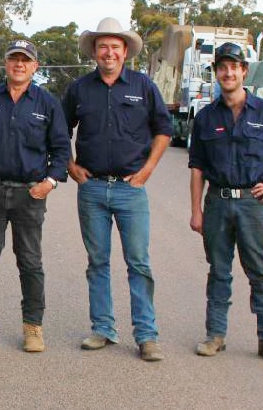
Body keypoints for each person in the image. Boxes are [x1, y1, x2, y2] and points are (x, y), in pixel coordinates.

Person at [62, 18, 173, 362]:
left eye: (115, 47)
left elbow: (163, 131)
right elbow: (58, 131)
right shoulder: (80, 90)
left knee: (138, 263)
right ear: (94, 52)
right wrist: (70, 165)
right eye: (102, 47)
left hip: (130, 190)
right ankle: (103, 328)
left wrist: (148, 170)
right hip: (91, 189)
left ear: (125, 52)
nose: (108, 53)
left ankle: (146, 335)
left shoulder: (143, 87)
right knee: (97, 262)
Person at [188, 42, 263, 365]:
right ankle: (215, 336)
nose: (228, 73)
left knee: (259, 273)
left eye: (234, 67)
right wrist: (196, 210)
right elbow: (197, 167)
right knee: (219, 272)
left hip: (252, 205)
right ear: (216, 73)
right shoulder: (206, 118)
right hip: (217, 203)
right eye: (222, 67)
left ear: (244, 72)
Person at [0, 40, 70, 353]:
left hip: (29, 195)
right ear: (5, 64)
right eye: (13, 59)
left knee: (30, 262)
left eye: (25, 60)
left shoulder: (47, 103)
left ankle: (33, 328)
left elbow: (61, 149)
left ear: (35, 66)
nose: (19, 65)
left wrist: (50, 183)